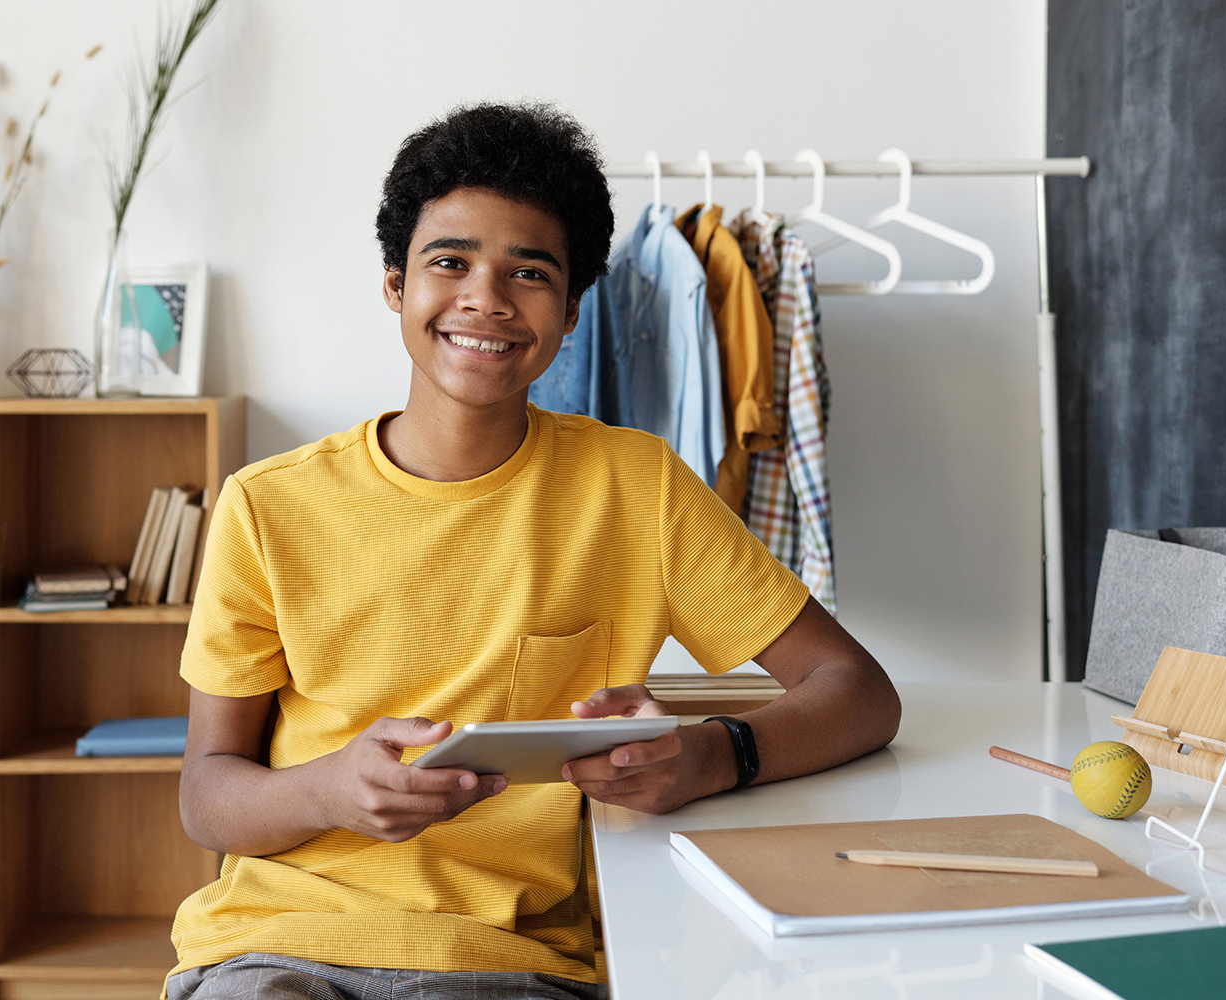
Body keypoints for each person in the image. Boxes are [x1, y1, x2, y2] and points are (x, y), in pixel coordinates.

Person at [167, 102, 900, 1000]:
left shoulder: (639, 488)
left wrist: (708, 756)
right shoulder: (266, 506)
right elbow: (208, 794)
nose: (487, 298)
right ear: (395, 283)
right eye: (450, 262)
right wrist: (328, 791)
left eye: (530, 273)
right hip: (275, 947)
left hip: (510, 966)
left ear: (572, 311)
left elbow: (859, 693)